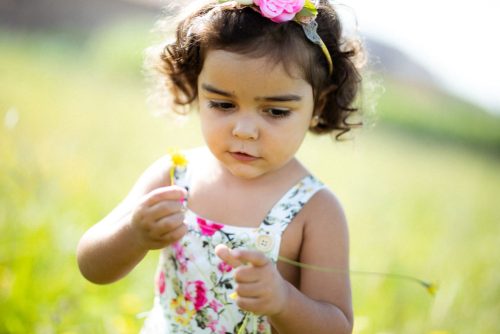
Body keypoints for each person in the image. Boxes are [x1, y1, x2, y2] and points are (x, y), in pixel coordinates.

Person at [77, 0, 364, 332]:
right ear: (197, 87)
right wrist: (133, 234)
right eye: (223, 104)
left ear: (319, 104)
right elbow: (90, 266)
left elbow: (337, 327)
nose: (243, 130)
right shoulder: (175, 175)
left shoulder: (315, 210)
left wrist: (283, 301)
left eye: (275, 111)